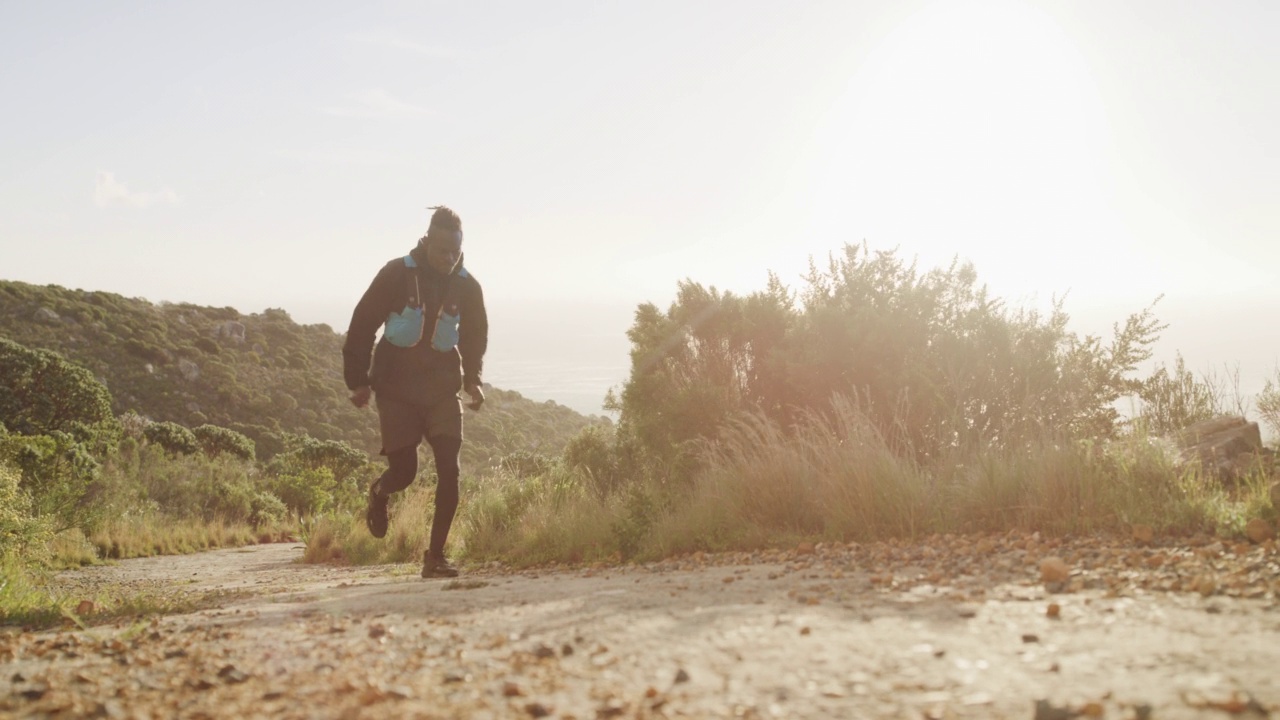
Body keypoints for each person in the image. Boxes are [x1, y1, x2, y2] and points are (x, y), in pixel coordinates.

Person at [342, 205, 488, 578]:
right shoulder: (395, 274)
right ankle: (379, 493)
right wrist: (358, 379)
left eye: (455, 252)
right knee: (405, 472)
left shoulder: (467, 286)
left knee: (449, 472)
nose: (448, 258)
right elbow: (362, 324)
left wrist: (473, 379)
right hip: (396, 390)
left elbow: (474, 336)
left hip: (441, 389)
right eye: (442, 251)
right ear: (427, 241)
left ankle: (434, 557)